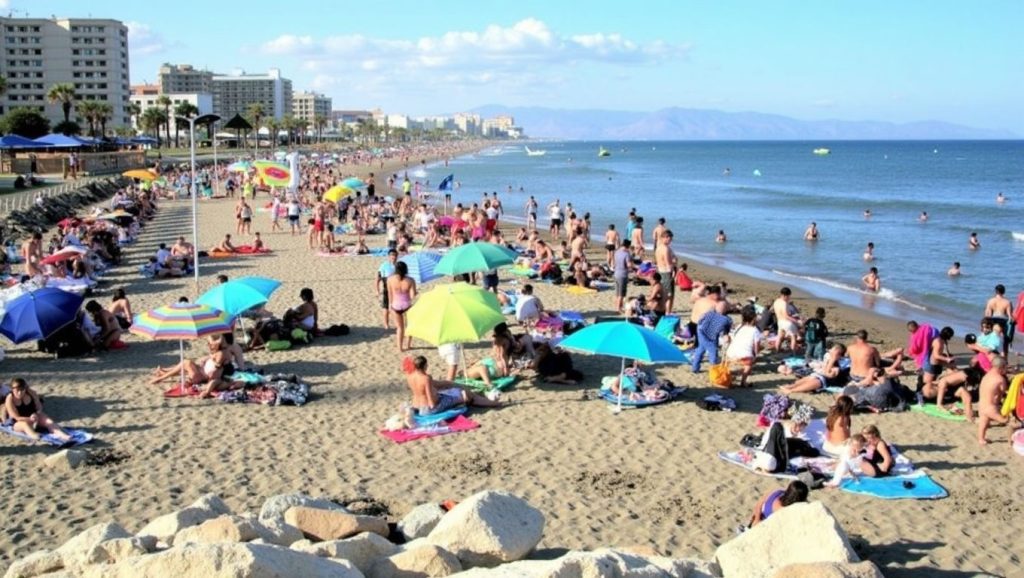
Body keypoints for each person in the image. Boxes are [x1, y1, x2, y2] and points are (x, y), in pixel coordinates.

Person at [405, 356, 501, 416]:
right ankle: (495, 404)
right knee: (465, 394)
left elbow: (433, 386)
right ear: (425, 366)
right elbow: (431, 401)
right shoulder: (426, 378)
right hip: (428, 409)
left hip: (416, 406)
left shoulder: (410, 376)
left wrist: (448, 384)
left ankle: (484, 400)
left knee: (450, 390)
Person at [4, 378, 71, 442]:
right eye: (17, 390)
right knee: (25, 425)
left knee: (48, 420)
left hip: (34, 417)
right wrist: (30, 419)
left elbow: (39, 406)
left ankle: (61, 434)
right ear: (12, 389)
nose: (19, 393)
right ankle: (34, 435)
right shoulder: (9, 399)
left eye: (22, 390)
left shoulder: (31, 393)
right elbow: (16, 418)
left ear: (25, 388)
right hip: (19, 422)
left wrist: (36, 413)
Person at [781, 343, 848, 394]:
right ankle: (792, 386)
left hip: (828, 380)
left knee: (817, 381)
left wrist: (832, 360)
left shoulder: (840, 365)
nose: (830, 351)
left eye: (833, 351)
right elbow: (824, 368)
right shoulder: (828, 356)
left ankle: (792, 390)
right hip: (821, 374)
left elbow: (827, 374)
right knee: (811, 377)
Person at [691, 302, 732, 373]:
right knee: (713, 351)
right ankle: (714, 369)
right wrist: (726, 336)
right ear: (726, 310)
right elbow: (725, 331)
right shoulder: (727, 320)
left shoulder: (709, 313)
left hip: (701, 330)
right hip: (710, 336)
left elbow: (700, 319)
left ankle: (695, 367)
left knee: (701, 349)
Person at [977, 357, 1009, 446]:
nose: (1006, 370)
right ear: (1000, 368)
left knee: (983, 423)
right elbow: (1004, 391)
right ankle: (1012, 439)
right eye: (1005, 367)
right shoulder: (1000, 379)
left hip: (982, 406)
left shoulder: (986, 376)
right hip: (991, 407)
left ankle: (981, 439)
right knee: (1005, 421)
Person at [726, 307, 761, 387]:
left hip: (731, 352)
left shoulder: (739, 326)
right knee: (749, 365)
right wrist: (756, 355)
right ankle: (743, 382)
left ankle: (731, 378)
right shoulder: (755, 330)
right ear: (753, 318)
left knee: (744, 358)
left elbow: (732, 337)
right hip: (743, 354)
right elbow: (756, 346)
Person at [387, 261, 417, 351]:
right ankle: (408, 345)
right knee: (409, 326)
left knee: (400, 328)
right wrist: (415, 292)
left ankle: (400, 348)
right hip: (407, 304)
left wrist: (390, 305)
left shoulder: (390, 279)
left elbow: (390, 294)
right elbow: (412, 296)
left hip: (396, 305)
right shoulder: (410, 280)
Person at [984, 284, 1013, 356]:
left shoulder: (990, 301)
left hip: (993, 320)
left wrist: (986, 324)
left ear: (995, 291)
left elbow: (987, 313)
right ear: (1004, 292)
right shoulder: (1007, 302)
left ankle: (991, 356)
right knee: (1005, 341)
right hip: (1003, 320)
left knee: (992, 338)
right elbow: (1009, 315)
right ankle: (1005, 359)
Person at [654, 229, 677, 312]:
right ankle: (668, 311)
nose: (670, 241)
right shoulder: (665, 249)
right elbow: (668, 263)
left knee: (664, 292)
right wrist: (673, 270)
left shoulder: (659, 247)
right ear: (665, 238)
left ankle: (665, 310)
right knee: (669, 294)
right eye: (669, 239)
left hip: (660, 271)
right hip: (667, 272)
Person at [772, 287, 801, 352]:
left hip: (779, 321)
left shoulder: (776, 301)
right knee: (793, 337)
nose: (789, 298)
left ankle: (777, 349)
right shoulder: (784, 303)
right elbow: (786, 316)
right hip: (786, 323)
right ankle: (793, 351)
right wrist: (796, 321)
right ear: (785, 295)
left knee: (779, 336)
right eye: (788, 296)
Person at [376, 249, 398, 329]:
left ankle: (396, 323)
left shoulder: (398, 265)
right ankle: (386, 324)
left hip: (396, 289)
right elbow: (378, 279)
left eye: (395, 255)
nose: (393, 257)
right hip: (387, 288)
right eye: (392, 255)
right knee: (386, 307)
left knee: (395, 307)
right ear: (389, 256)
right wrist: (377, 290)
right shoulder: (384, 265)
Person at [613, 240, 634, 314]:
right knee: (621, 294)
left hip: (616, 273)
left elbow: (614, 262)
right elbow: (628, 265)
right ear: (628, 246)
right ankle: (618, 309)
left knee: (617, 292)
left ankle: (617, 306)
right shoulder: (626, 254)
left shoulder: (617, 252)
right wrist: (632, 267)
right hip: (623, 274)